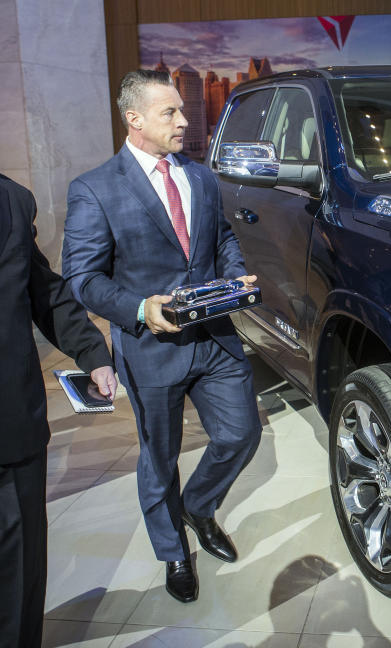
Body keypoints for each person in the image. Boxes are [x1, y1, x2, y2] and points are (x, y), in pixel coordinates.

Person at [61, 70, 262, 604]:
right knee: (159, 459)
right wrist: (138, 308)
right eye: (170, 112)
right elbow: (81, 278)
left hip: (215, 339)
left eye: (181, 110)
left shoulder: (200, 178)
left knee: (241, 435)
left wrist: (233, 278)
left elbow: (221, 239)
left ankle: (198, 506)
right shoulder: (94, 188)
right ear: (135, 120)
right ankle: (174, 550)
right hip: (150, 350)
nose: (184, 120)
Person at [0, 174, 116, 646]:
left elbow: (43, 293)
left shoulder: (11, 199)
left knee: (19, 577)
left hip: (12, 425)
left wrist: (93, 354)